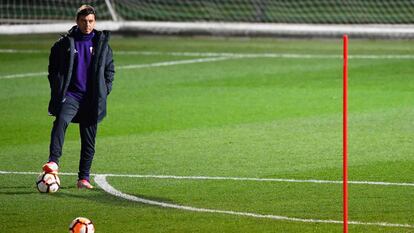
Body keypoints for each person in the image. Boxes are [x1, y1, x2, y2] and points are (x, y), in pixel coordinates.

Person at [42, 5, 115, 189]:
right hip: (72, 95)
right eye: (83, 21)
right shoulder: (66, 43)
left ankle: (83, 178)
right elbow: (54, 68)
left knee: (89, 139)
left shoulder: (101, 43)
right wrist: (58, 88)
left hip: (92, 99)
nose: (87, 25)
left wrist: (104, 89)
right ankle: (53, 161)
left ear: (95, 21)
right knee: (61, 121)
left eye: (90, 21)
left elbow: (109, 69)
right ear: (77, 21)